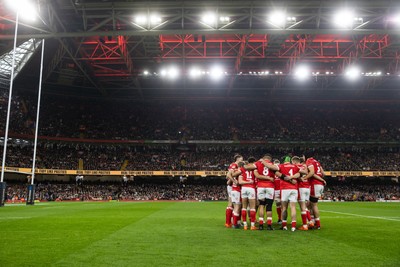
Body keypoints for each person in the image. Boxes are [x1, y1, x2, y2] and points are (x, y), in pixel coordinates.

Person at [275, 156, 301, 231]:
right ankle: (293, 226)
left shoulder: (281, 166)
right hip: (294, 188)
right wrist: (291, 177)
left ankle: (284, 226)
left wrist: (287, 178)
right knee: (293, 207)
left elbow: (277, 173)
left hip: (285, 189)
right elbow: (299, 174)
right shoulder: (295, 166)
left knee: (284, 208)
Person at [233, 157, 257, 230]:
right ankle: (252, 225)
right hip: (251, 188)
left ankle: (245, 225)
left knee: (244, 207)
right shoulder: (254, 169)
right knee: (252, 207)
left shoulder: (242, 169)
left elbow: (236, 176)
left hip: (244, 188)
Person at [303, 154, 326, 230]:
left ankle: (315, 223)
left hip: (314, 184)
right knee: (310, 204)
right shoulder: (317, 162)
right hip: (320, 185)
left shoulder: (309, 161)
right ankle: (314, 221)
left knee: (311, 205)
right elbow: (323, 173)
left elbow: (312, 173)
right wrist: (321, 179)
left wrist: (305, 178)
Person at [254, 154, 275, 230]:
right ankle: (269, 225)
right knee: (269, 206)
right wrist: (269, 178)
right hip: (270, 186)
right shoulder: (272, 164)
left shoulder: (258, 164)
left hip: (260, 186)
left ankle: (261, 225)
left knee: (261, 205)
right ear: (269, 159)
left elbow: (257, 175)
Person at [292, 156, 310, 230]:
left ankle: (306, 224)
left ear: (295, 162)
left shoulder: (295, 167)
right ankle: (310, 221)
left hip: (301, 188)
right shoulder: (305, 166)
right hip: (307, 187)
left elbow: (297, 177)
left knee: (302, 207)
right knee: (305, 206)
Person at [225, 154, 243, 228]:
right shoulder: (234, 165)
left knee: (237, 205)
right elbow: (228, 176)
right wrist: (233, 181)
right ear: (238, 159)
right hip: (232, 187)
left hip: (234, 186)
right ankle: (229, 222)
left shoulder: (237, 166)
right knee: (232, 204)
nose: (242, 160)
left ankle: (235, 221)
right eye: (241, 159)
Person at [273, 159, 282, 224]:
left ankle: (280, 219)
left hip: (274, 190)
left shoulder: (272, 170)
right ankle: (281, 219)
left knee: (278, 205)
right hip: (280, 189)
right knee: (281, 205)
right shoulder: (282, 170)